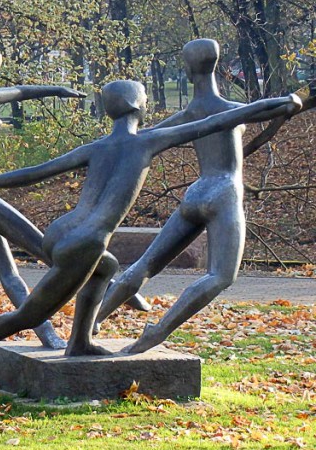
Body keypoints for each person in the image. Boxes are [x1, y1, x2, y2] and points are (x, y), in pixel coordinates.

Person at [0, 80, 300, 357]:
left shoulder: (96, 147)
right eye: (146, 97)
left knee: (107, 267)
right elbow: (222, 120)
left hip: (61, 231)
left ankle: (80, 342)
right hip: (85, 242)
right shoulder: (147, 142)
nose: (148, 102)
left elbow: (36, 172)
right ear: (136, 106)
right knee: (31, 315)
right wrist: (283, 102)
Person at [94, 39, 301, 353]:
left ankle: (93, 320)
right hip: (224, 193)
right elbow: (269, 107)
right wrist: (293, 101)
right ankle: (158, 331)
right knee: (220, 276)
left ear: (189, 71)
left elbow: (147, 138)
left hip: (196, 192)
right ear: (217, 66)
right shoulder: (232, 110)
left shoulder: (189, 114)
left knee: (145, 264)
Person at [0, 47, 85, 348]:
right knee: (48, 251)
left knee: (11, 272)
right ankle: (103, 289)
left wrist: (58, 90)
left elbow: (22, 91)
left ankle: (48, 336)